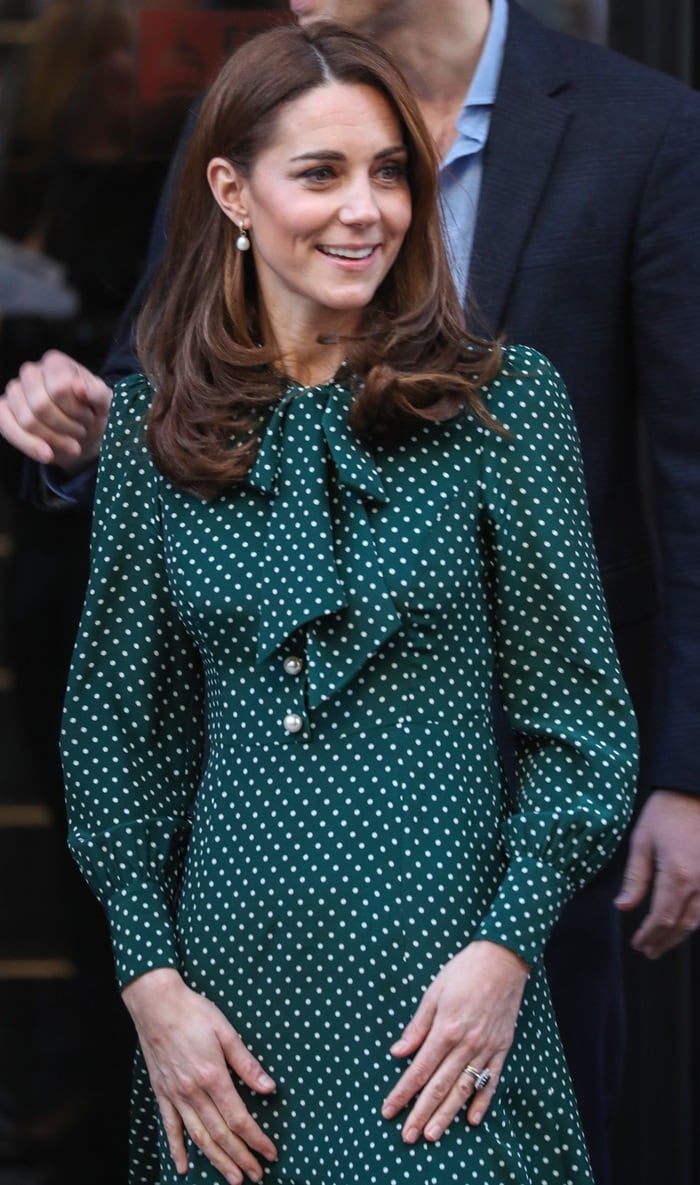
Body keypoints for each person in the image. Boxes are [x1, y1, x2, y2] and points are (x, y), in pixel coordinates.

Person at [3, 1, 700, 1180]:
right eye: (319, 173)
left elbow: (579, 727)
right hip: (222, 997)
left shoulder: (505, 404)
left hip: (451, 981)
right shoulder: (155, 434)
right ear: (232, 194)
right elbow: (120, 744)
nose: (364, 209)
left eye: (390, 173)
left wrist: (501, 960)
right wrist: (151, 986)